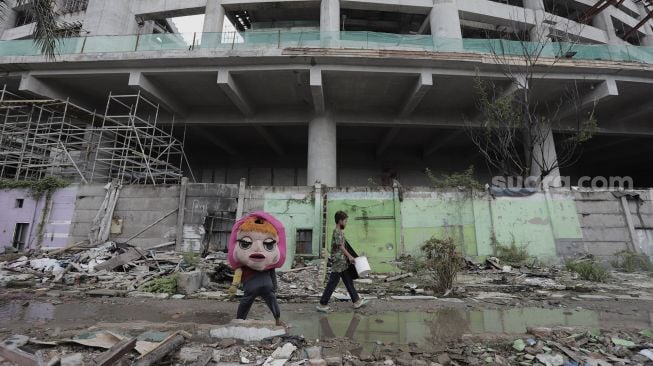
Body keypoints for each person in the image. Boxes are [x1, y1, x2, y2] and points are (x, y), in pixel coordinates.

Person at [227, 212, 286, 326]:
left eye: (268, 244)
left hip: (250, 286)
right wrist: (274, 287)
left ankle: (240, 320)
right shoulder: (268, 264)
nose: (258, 248)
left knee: (246, 302)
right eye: (246, 243)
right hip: (267, 286)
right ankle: (277, 319)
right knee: (272, 300)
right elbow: (272, 272)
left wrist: (234, 286)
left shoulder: (242, 264)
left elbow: (238, 273)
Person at [316, 210, 369, 312]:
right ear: (340, 221)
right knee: (332, 283)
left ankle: (356, 301)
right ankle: (322, 304)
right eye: (345, 221)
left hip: (342, 262)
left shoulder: (339, 232)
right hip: (338, 262)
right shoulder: (337, 232)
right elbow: (340, 246)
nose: (346, 223)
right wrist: (349, 256)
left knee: (348, 281)